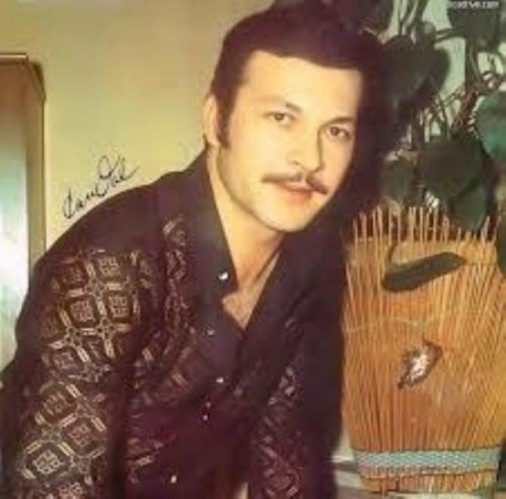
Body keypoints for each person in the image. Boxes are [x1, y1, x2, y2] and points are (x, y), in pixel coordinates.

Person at [0, 2, 386, 497]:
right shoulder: (111, 264)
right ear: (215, 119)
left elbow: (288, 460)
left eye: (336, 131)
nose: (311, 158)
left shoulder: (307, 265)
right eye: (281, 118)